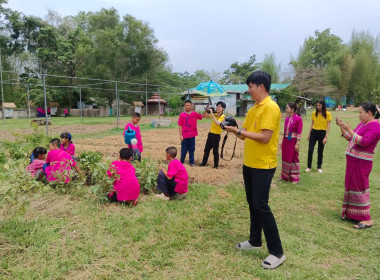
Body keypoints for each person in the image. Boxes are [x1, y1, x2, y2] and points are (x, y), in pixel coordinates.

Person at [224, 71, 285, 269]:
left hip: (263, 165)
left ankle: (277, 252)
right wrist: (234, 128)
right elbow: (244, 135)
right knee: (252, 203)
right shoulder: (254, 109)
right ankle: (254, 240)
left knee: (261, 205)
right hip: (250, 163)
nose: (248, 91)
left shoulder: (271, 107)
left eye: (250, 87)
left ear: (261, 86)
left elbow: (265, 137)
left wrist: (239, 131)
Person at [336, 102, 380, 229]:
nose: (359, 115)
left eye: (361, 112)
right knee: (351, 185)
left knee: (359, 186)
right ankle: (353, 214)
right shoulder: (363, 124)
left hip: (361, 162)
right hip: (353, 160)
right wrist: (342, 127)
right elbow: (350, 138)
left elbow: (364, 142)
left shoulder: (376, 126)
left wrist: (349, 128)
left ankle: (366, 219)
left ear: (369, 113)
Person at [306, 99, 332, 173]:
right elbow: (312, 124)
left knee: (320, 151)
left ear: (323, 105)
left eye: (319, 105)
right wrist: (309, 134)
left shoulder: (328, 114)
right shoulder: (314, 113)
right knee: (310, 150)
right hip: (314, 132)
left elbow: (328, 126)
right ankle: (309, 167)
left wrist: (326, 137)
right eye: (317, 105)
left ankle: (319, 167)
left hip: (322, 133)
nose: (318, 107)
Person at [281, 102, 303, 184]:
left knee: (294, 157)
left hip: (293, 141)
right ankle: (285, 176)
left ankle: (295, 178)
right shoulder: (286, 119)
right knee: (285, 157)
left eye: (287, 108)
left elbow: (299, 132)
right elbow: (285, 131)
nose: (286, 109)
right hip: (286, 140)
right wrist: (282, 141)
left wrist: (297, 143)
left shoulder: (298, 119)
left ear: (292, 109)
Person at [200, 101, 226, 169]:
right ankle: (203, 164)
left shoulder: (223, 116)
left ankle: (216, 166)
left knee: (215, 152)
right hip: (210, 134)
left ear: (223, 108)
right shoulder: (215, 113)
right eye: (217, 106)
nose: (217, 107)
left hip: (216, 136)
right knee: (206, 150)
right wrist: (207, 110)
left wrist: (212, 114)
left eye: (219, 106)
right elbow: (206, 117)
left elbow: (217, 123)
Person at [178, 100, 203, 166]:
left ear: (191, 106)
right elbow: (180, 125)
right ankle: (181, 162)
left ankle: (191, 162)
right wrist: (180, 135)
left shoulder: (194, 114)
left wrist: (206, 110)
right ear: (184, 106)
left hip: (192, 135)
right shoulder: (182, 115)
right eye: (186, 105)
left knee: (192, 149)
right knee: (184, 149)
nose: (187, 106)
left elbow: (202, 117)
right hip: (185, 135)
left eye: (188, 105)